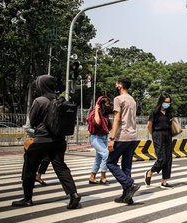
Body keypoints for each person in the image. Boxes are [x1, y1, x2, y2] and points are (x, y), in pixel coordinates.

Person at [12, 75, 81, 208]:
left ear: (41, 85)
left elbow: (32, 122)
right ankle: (73, 194)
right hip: (59, 141)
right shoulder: (61, 100)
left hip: (41, 140)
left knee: (29, 169)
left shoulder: (39, 101)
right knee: (61, 168)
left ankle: (27, 199)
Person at [106, 77, 140, 205]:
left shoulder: (118, 99)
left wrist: (112, 138)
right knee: (126, 167)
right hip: (133, 137)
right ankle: (127, 197)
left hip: (122, 136)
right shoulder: (132, 99)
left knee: (110, 162)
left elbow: (117, 119)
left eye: (116, 83)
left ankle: (129, 184)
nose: (115, 85)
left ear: (120, 85)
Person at [144, 93, 175, 189]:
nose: (167, 104)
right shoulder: (154, 112)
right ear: (161, 101)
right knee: (161, 159)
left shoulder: (169, 113)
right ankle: (150, 172)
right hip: (157, 134)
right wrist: (153, 136)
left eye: (169, 102)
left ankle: (164, 182)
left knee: (168, 159)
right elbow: (149, 125)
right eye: (165, 102)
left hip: (168, 135)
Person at [87, 96, 113, 185]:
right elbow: (97, 122)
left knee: (98, 159)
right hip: (96, 138)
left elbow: (109, 126)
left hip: (104, 137)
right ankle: (103, 177)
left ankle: (92, 177)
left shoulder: (105, 114)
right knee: (106, 154)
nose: (108, 105)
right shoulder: (94, 113)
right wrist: (97, 109)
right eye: (106, 103)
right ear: (100, 104)